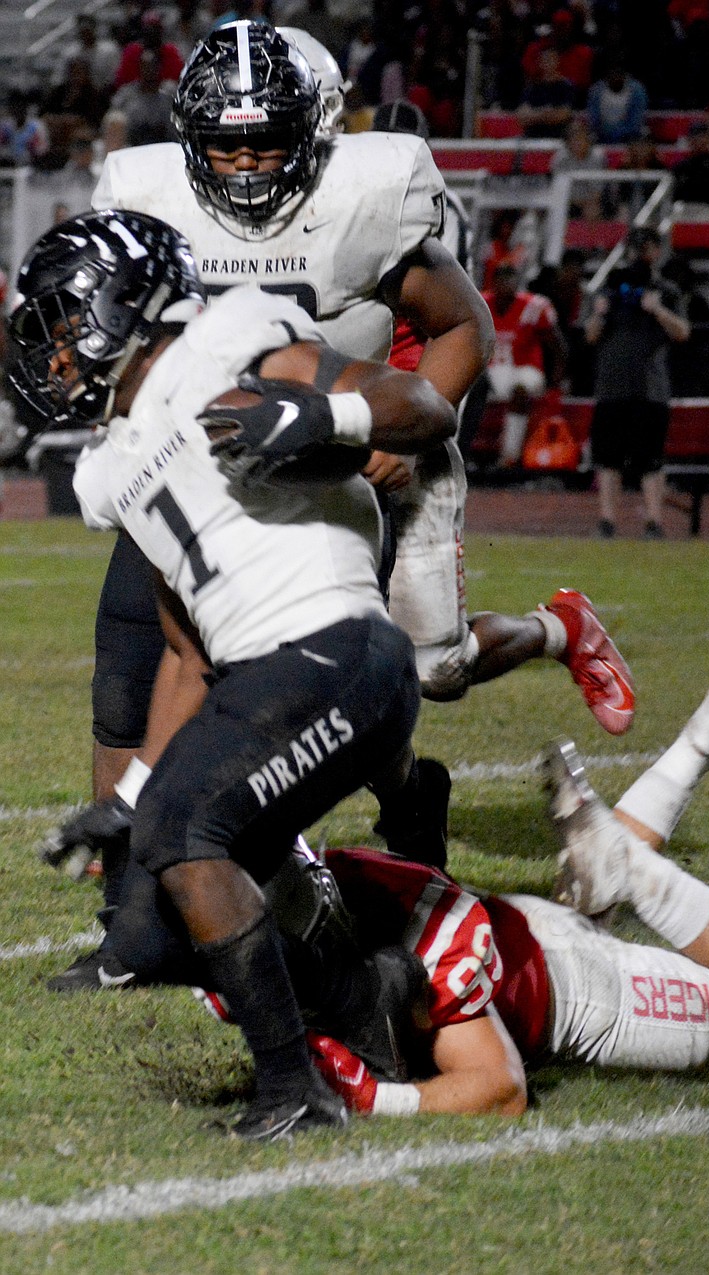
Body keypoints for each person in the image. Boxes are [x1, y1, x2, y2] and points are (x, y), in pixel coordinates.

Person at [47, 23, 635, 990]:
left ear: (313, 134)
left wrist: (382, 430)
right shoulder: (154, 204)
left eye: (265, 142)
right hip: (203, 466)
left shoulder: (360, 202)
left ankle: (426, 771)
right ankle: (130, 924)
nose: (244, 164)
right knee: (130, 662)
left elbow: (463, 326)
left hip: (352, 460)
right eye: (224, 143)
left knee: (393, 674)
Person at [8, 208, 457, 1139]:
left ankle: (295, 1091)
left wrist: (322, 413)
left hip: (339, 651)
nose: (53, 353)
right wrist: (129, 795)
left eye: (65, 323)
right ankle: (365, 1000)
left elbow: (423, 405)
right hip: (264, 679)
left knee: (187, 833)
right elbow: (186, 649)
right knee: (146, 930)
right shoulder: (110, 466)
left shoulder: (231, 340)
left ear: (125, 303)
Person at [206, 674, 709, 1117]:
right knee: (590, 904)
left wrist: (375, 1099)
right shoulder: (236, 941)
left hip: (577, 987)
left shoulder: (423, 937)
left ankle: (636, 869)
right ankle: (692, 751)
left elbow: (501, 1089)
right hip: (525, 931)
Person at [584, 226, 691, 539]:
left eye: (645, 247)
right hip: (612, 385)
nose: (639, 254)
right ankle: (607, 521)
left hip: (649, 387)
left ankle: (654, 522)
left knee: (650, 458)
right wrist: (600, 314)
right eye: (635, 247)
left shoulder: (666, 290)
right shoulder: (610, 288)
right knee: (608, 458)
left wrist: (657, 310)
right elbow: (590, 335)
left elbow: (683, 332)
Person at [482, 262, 568, 468]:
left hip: (525, 369)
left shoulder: (533, 307)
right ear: (494, 282)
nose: (507, 285)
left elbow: (558, 347)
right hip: (491, 371)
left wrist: (556, 382)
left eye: (511, 280)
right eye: (503, 280)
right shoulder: (481, 304)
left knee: (519, 389)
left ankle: (510, 455)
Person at [671, 120, 709, 219]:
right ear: (689, 140)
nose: (698, 140)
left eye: (702, 136)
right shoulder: (682, 165)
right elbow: (676, 192)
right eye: (694, 137)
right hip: (686, 207)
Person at [585, 61, 648, 145]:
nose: (615, 79)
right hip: (602, 135)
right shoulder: (596, 90)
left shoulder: (637, 91)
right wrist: (604, 132)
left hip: (629, 135)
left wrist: (619, 133)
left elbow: (636, 120)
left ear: (624, 77)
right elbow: (594, 118)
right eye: (612, 76)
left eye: (618, 76)